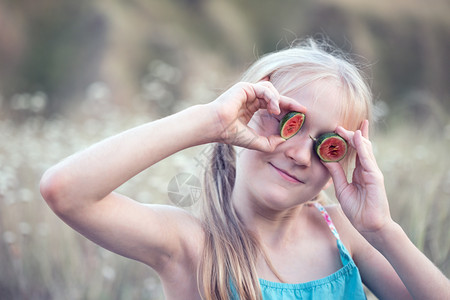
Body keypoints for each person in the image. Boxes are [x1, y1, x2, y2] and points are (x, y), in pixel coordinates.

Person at [40, 38, 449, 300]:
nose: (300, 155)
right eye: (288, 121)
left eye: (328, 145)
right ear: (244, 116)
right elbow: (65, 191)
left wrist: (383, 230)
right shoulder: (192, 244)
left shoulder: (344, 235)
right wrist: (209, 122)